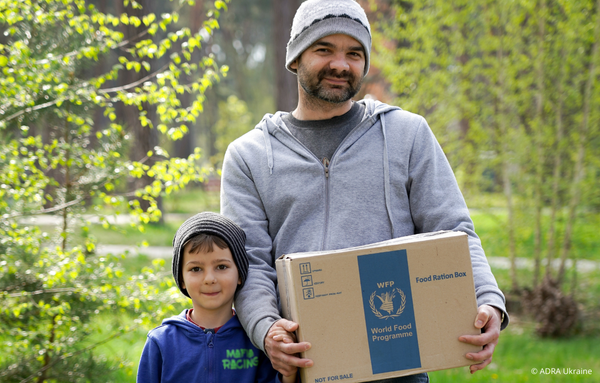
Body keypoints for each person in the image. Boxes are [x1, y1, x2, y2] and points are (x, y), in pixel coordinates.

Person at [220, 0, 509, 381]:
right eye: (324, 49)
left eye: (354, 53)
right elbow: (250, 263)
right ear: (295, 57)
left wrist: (489, 301)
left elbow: (454, 230)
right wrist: (266, 328)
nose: (341, 64)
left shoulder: (407, 135)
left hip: (400, 365)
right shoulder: (249, 155)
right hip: (306, 366)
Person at [137, 212, 294, 383]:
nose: (209, 279)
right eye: (196, 269)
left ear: (240, 274)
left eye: (221, 266)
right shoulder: (161, 342)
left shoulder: (256, 340)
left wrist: (289, 373)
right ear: (181, 279)